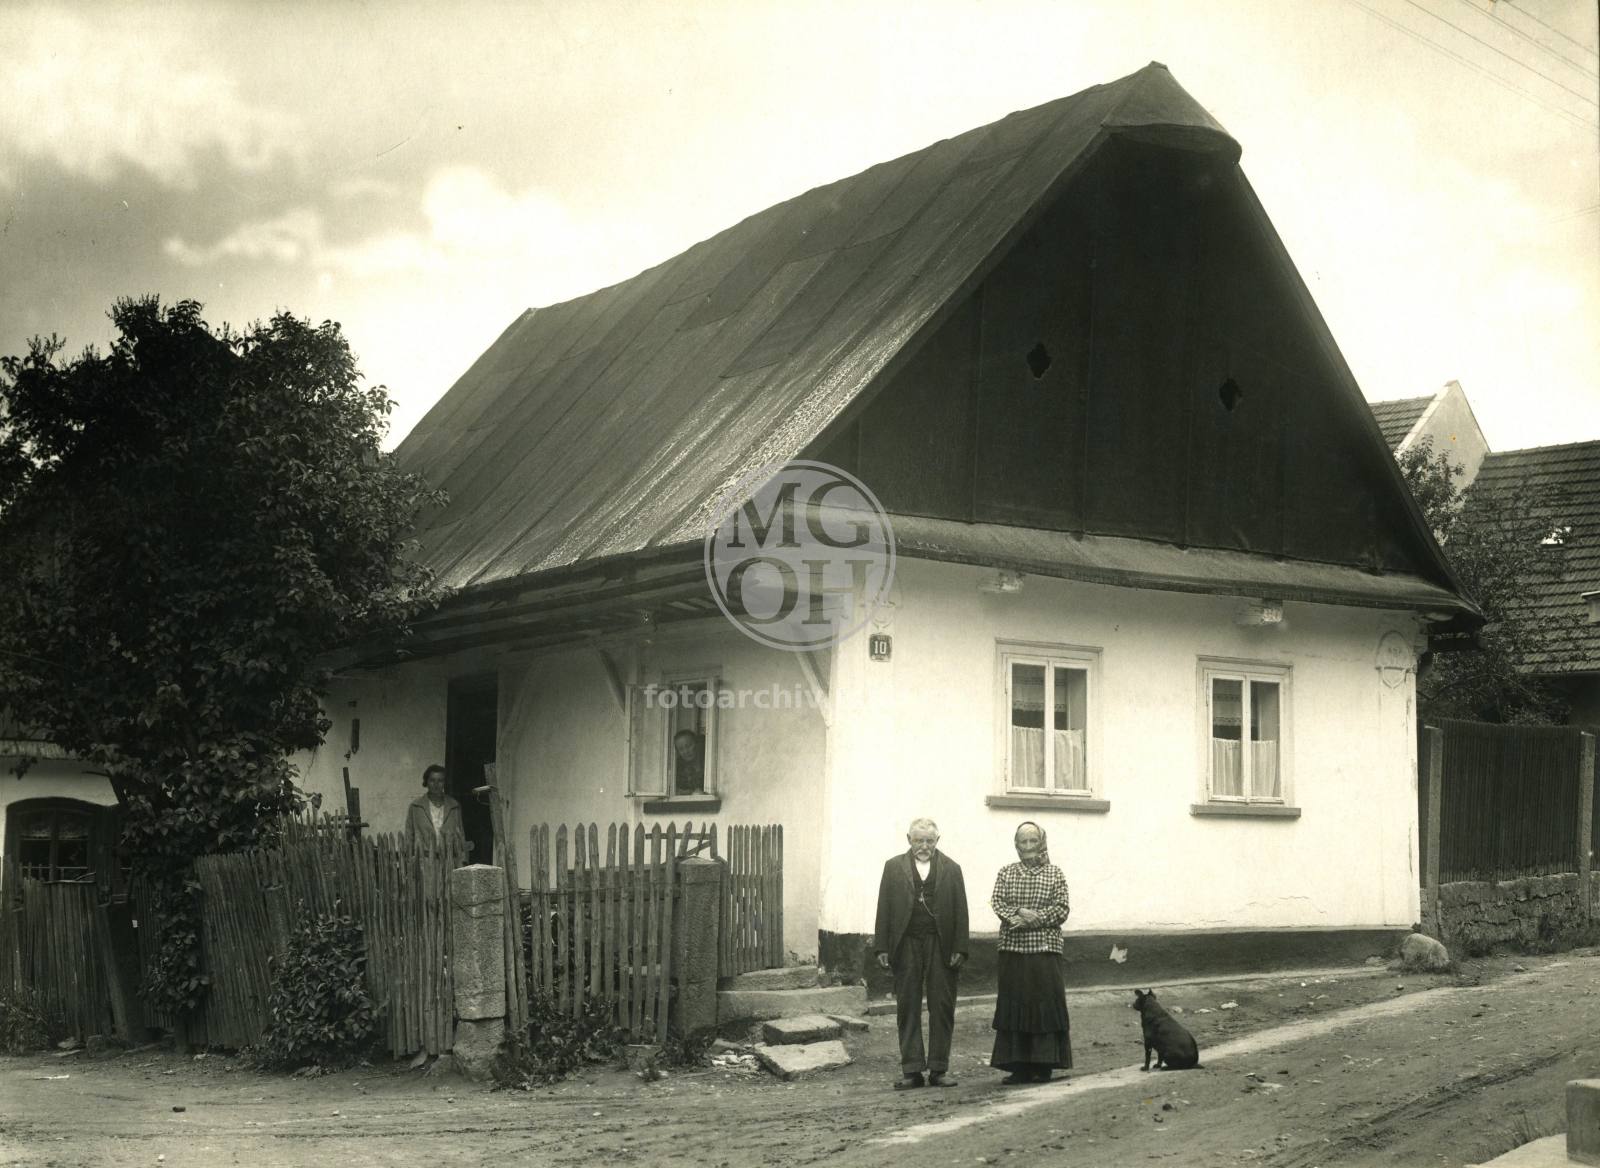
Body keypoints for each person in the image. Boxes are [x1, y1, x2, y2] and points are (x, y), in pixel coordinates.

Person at [873, 817, 969, 1090]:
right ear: (908, 839)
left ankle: (939, 1069)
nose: (924, 846)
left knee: (942, 1005)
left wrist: (960, 948)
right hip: (906, 944)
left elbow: (961, 911)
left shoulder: (952, 869)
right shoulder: (893, 868)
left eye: (929, 841)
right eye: (918, 840)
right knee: (907, 1005)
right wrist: (882, 946)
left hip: (941, 944)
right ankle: (912, 1070)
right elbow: (884, 908)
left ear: (937, 841)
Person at [988, 821, 1073, 1084]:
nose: (1027, 847)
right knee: (1016, 1003)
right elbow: (998, 902)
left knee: (1043, 1004)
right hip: (1012, 949)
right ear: (1016, 845)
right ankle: (1019, 1066)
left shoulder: (1055, 874)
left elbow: (1061, 909)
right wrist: (1017, 913)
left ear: (1042, 842)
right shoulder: (1006, 872)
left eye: (1032, 841)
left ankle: (1043, 1065)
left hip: (1045, 949)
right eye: (1022, 842)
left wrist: (1031, 919)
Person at [404, 764, 468, 855]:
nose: (436, 784)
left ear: (445, 783)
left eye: (440, 780)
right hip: (424, 862)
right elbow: (409, 836)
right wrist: (410, 861)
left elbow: (461, 835)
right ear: (426, 782)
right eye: (432, 780)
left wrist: (463, 861)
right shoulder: (416, 806)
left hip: (449, 862)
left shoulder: (454, 806)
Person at [673, 729, 705, 794]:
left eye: (688, 746)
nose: (686, 752)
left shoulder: (707, 760)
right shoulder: (679, 767)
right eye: (681, 749)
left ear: (697, 744)